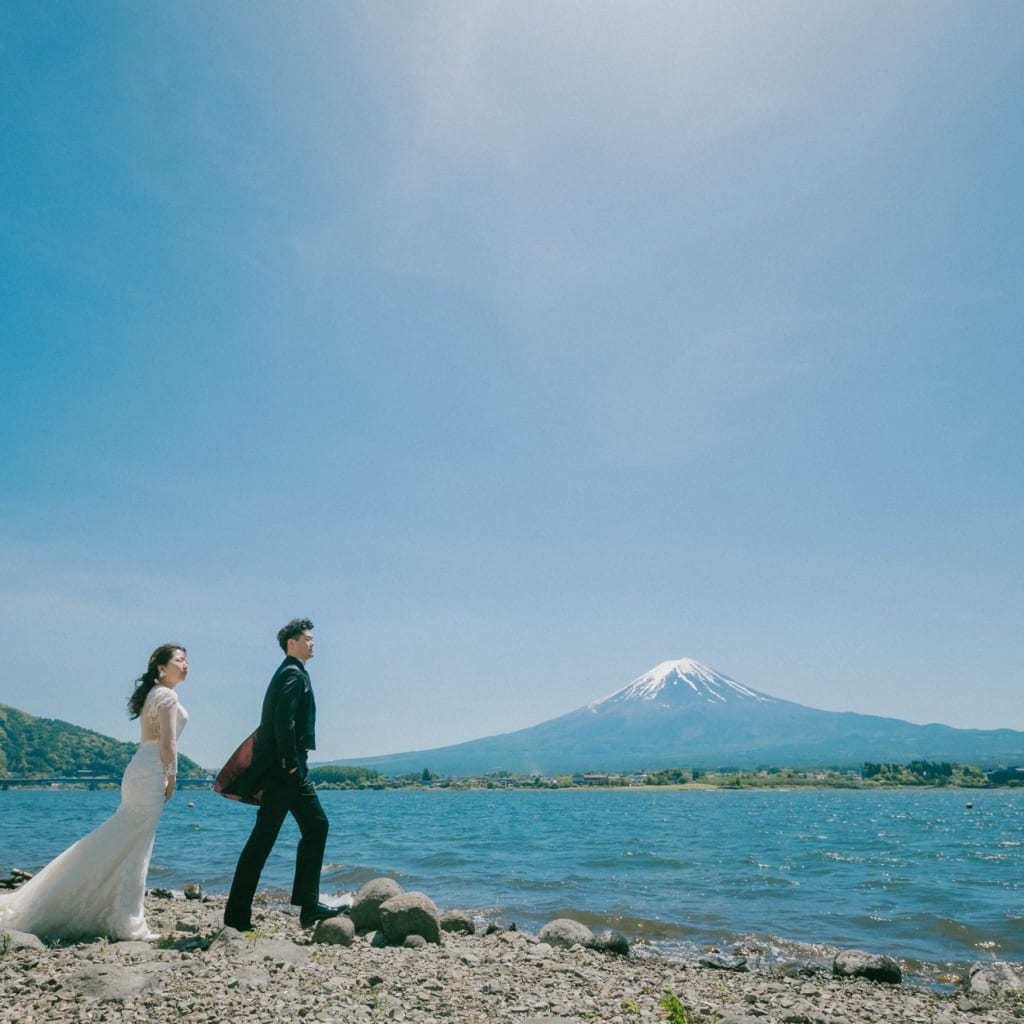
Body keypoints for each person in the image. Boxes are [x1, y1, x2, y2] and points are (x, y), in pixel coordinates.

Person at [0, 644, 189, 941]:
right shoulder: (166, 695)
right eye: (180, 660)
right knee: (135, 844)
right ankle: (126, 919)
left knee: (123, 840)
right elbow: (167, 744)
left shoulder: (153, 694)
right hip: (151, 771)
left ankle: (114, 909)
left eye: (186, 660)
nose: (186, 665)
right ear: (162, 667)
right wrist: (173, 777)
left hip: (140, 769)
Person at [223, 618, 340, 931]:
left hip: (290, 770)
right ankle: (236, 918)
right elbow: (282, 722)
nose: (313, 643)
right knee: (263, 842)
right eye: (308, 638)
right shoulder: (291, 673)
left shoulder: (295, 671)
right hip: (286, 771)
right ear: (292, 643)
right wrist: (290, 764)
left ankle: (308, 906)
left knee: (315, 827)